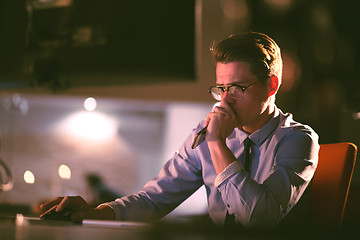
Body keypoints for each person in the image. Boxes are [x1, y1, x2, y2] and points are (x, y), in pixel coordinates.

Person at [40, 32, 319, 229]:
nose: (225, 100)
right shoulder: (209, 132)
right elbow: (155, 198)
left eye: (237, 88)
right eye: (221, 88)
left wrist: (217, 145)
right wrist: (96, 213)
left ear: (271, 86)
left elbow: (259, 220)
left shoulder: (297, 140)